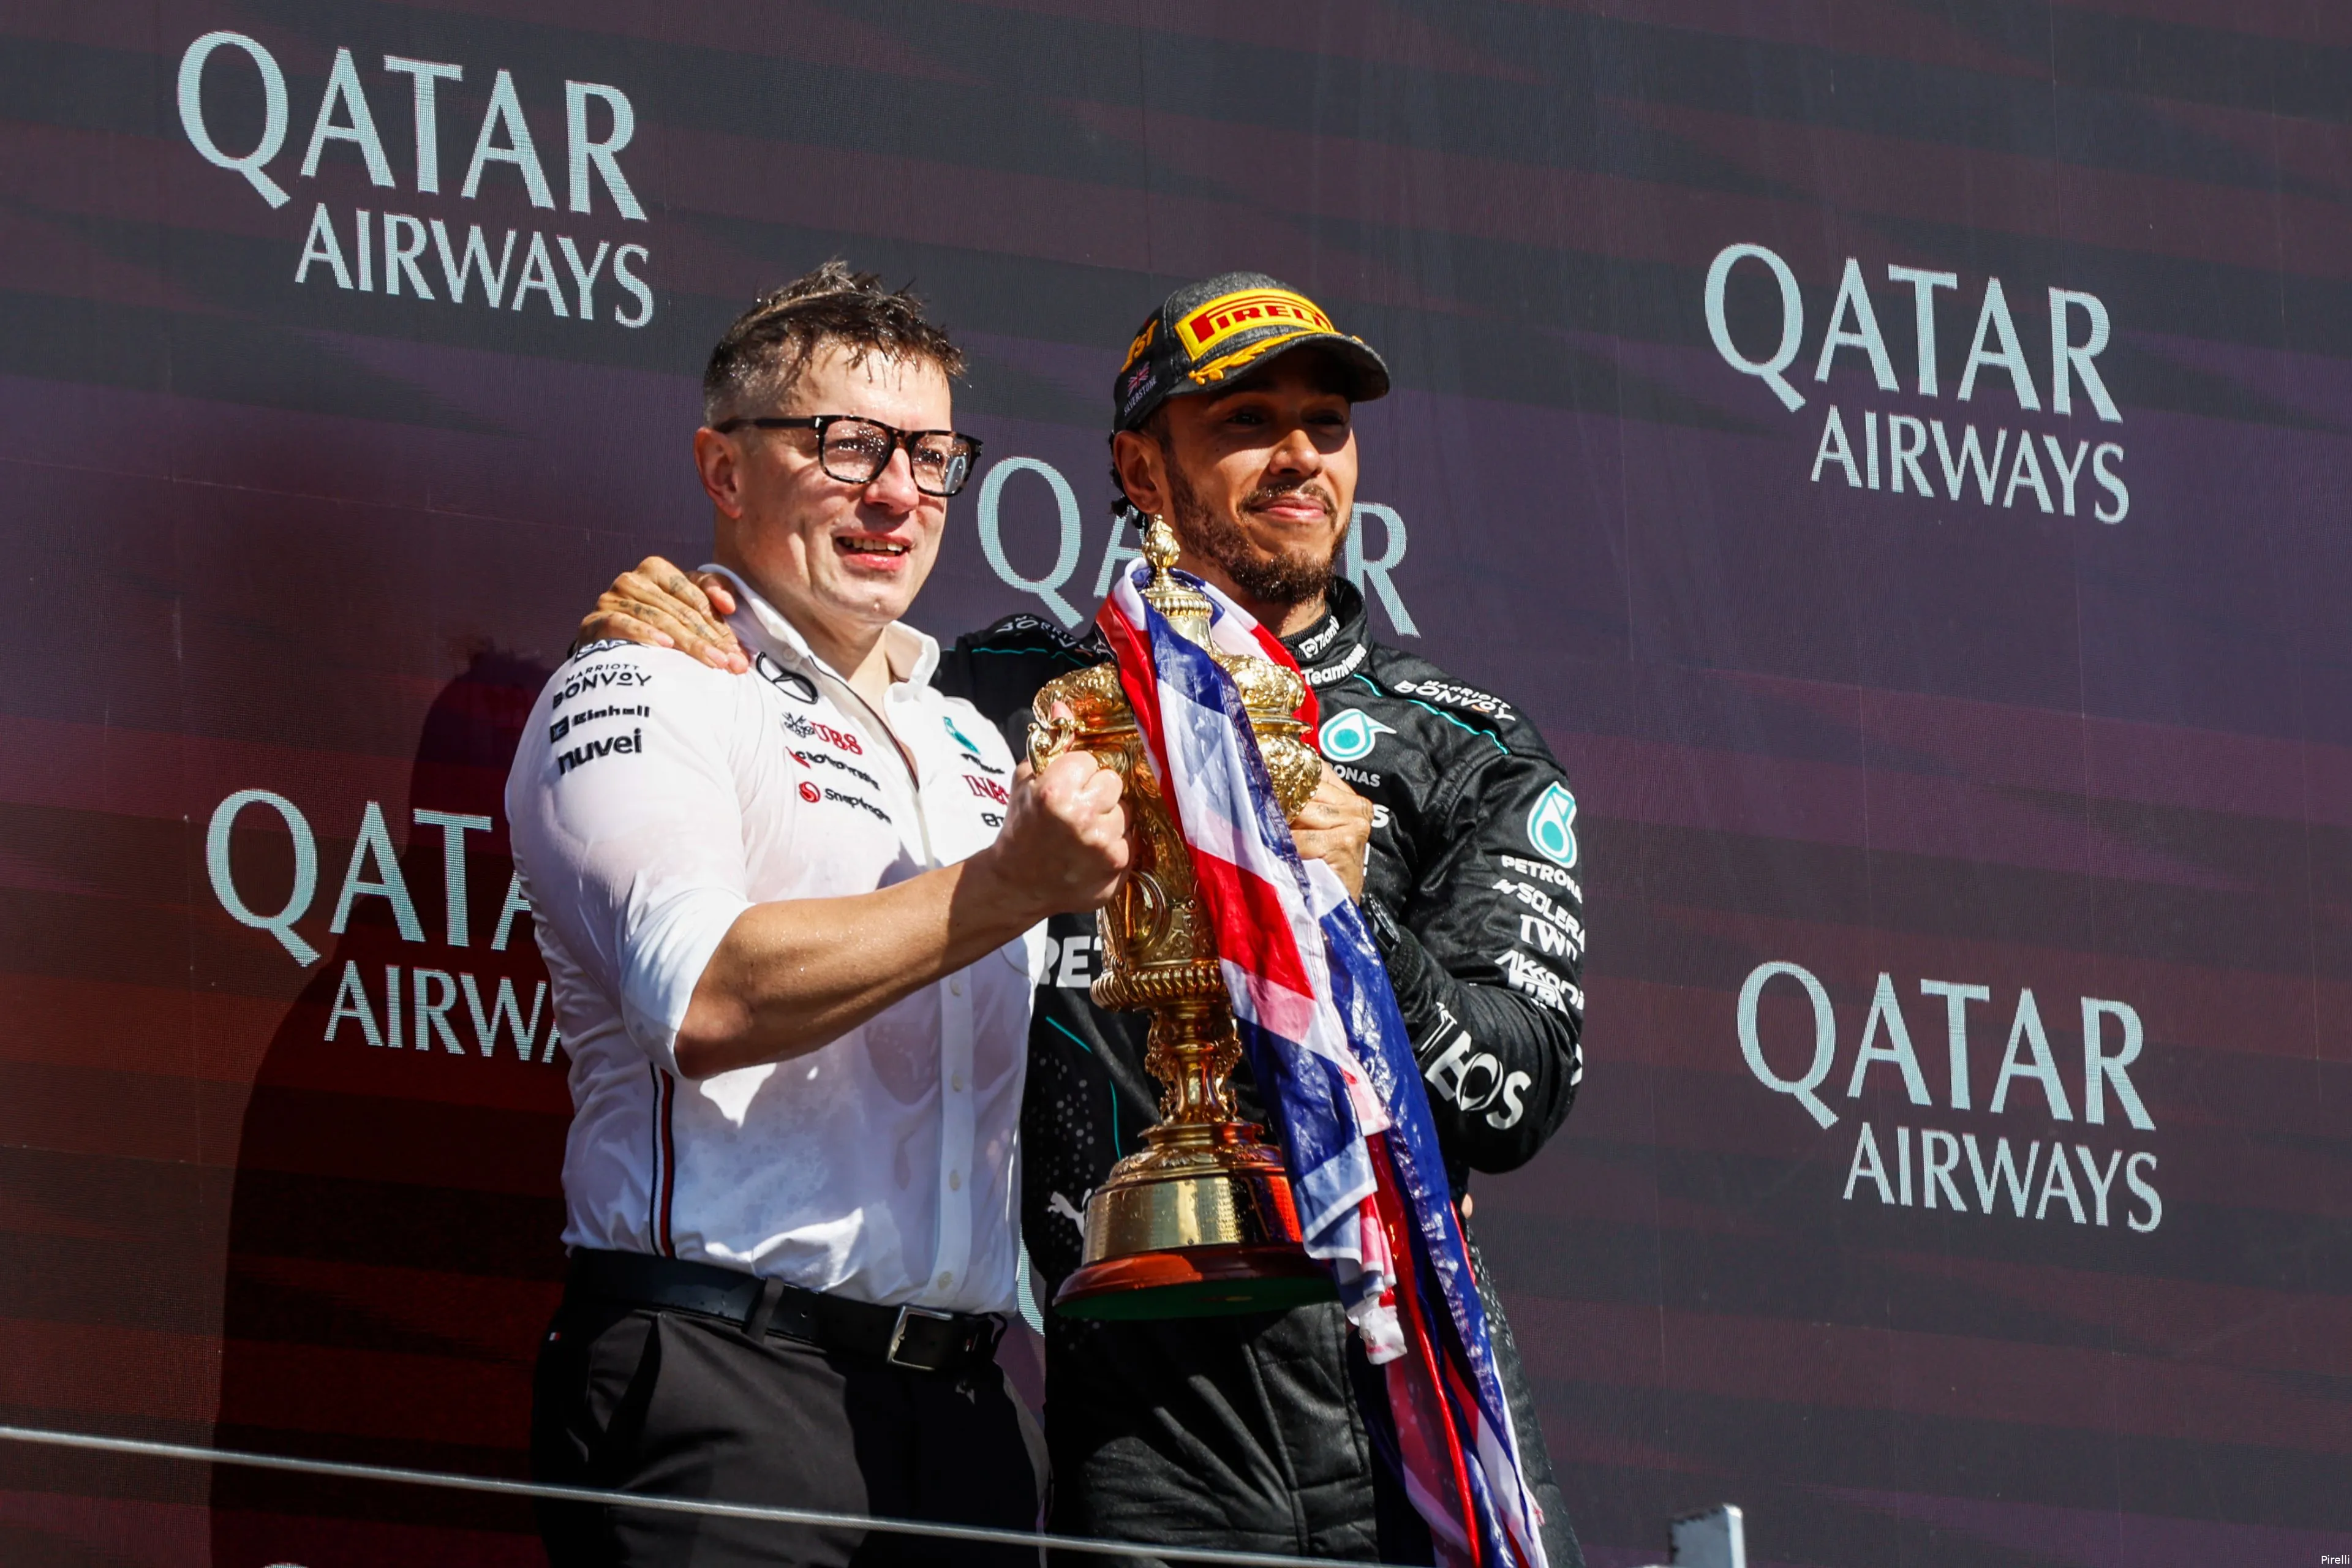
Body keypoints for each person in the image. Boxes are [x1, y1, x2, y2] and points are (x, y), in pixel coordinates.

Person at [583, 273, 1587, 1567]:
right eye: (1246, 421)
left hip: (1397, 1377)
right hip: (1133, 1408)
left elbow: (1517, 1098)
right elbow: (810, 654)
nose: (1299, 456)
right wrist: (680, 607)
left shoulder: (1464, 749)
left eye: (1327, 424)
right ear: (1140, 469)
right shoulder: (1001, 705)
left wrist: (1349, 925)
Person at [505, 264, 1134, 1568]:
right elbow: (701, 996)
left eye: (931, 457)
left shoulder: (975, 737)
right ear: (723, 470)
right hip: (727, 1379)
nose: (896, 492)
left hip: (967, 1416)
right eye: (846, 445)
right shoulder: (647, 680)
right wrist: (1006, 888)